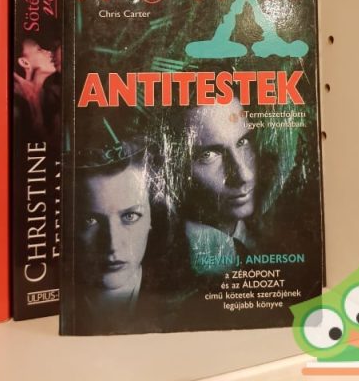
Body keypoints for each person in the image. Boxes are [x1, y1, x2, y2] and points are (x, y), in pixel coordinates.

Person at [72, 140, 171, 334]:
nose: (112, 244)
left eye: (130, 216)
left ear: (152, 216)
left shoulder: (184, 301)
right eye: (90, 220)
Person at [180, 96, 260, 275]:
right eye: (208, 155)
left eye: (243, 142)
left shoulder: (263, 238)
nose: (244, 175)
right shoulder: (176, 265)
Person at [13, 37, 56, 136]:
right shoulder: (15, 103)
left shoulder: (53, 97)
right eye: (39, 50)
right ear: (24, 62)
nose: (49, 52)